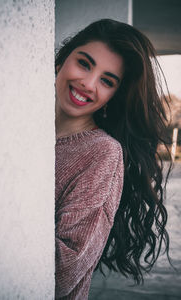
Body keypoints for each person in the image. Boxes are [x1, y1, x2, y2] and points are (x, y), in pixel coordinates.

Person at [55, 19, 172, 300]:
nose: (88, 83)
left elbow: (63, 272)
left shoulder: (102, 152)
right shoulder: (18, 124)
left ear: (113, 96)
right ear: (61, 59)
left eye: (107, 81)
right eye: (84, 63)